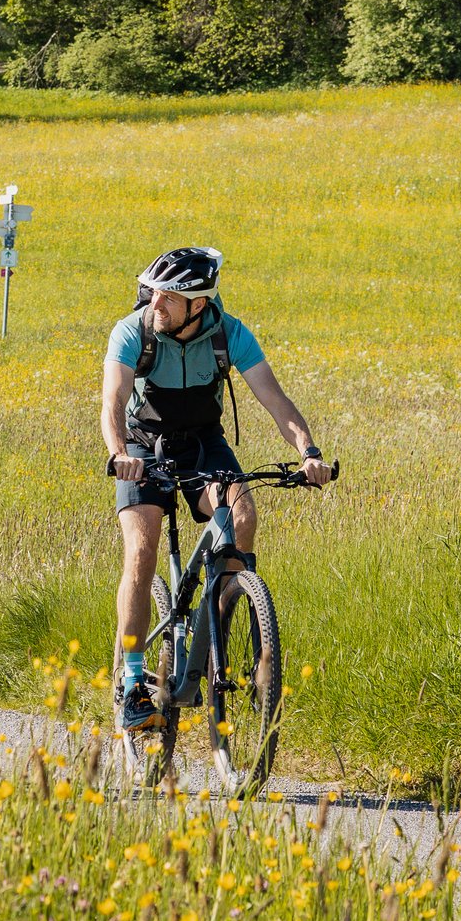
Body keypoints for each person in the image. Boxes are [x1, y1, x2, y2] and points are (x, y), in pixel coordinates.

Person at [101, 244, 330, 731]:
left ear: (198, 304)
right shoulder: (133, 331)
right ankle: (132, 683)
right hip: (142, 448)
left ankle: (216, 640)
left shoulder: (229, 334)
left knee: (241, 517)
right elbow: (113, 400)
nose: (155, 304)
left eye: (167, 297)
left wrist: (309, 452)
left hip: (204, 446)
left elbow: (275, 399)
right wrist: (121, 454)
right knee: (142, 548)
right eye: (153, 293)